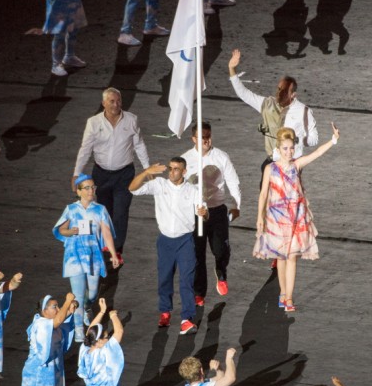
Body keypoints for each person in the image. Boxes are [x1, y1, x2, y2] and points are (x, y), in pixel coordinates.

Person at [254, 125, 340, 312]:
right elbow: (263, 194)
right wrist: (259, 217)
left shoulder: (296, 165)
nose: (289, 151)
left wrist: (333, 140)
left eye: (291, 148)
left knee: (292, 256)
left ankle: (289, 298)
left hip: (295, 217)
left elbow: (316, 154)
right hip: (276, 218)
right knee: (282, 258)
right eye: (285, 148)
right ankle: (283, 293)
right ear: (278, 149)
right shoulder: (270, 168)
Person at [129, 158, 208, 334]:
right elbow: (132, 188)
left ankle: (187, 319)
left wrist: (204, 213)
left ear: (184, 172)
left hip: (185, 241)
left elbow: (204, 212)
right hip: (165, 241)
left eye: (176, 169)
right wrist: (146, 172)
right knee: (164, 278)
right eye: (170, 169)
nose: (172, 172)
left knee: (186, 280)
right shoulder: (159, 185)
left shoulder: (194, 190)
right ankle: (165, 312)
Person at [72, 87, 150, 260]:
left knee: (121, 212)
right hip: (101, 175)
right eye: (112, 101)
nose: (116, 105)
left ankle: (117, 248)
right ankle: (105, 245)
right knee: (105, 212)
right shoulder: (93, 123)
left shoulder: (131, 120)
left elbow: (139, 145)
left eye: (118, 101)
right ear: (103, 104)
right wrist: (77, 174)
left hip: (125, 175)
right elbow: (85, 149)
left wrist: (147, 168)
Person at [53, 174, 120, 342]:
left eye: (93, 187)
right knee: (77, 294)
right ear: (79, 190)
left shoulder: (100, 210)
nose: (91, 191)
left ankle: (87, 306)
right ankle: (78, 330)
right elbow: (62, 230)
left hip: (93, 256)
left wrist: (113, 254)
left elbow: (106, 233)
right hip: (74, 256)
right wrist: (72, 231)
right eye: (88, 188)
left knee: (92, 293)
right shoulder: (71, 209)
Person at [182, 122, 241, 305]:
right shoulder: (186, 160)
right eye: (202, 137)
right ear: (194, 139)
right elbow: (182, 189)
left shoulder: (221, 157)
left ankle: (221, 272)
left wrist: (236, 204)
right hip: (196, 214)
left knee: (220, 249)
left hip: (217, 211)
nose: (206, 140)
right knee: (197, 253)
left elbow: (233, 181)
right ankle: (199, 293)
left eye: (208, 136)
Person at [227, 49, 316, 170]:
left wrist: (297, 140)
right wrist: (232, 70)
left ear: (293, 94)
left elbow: (314, 139)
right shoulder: (267, 104)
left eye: (284, 91)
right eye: (279, 89)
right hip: (271, 162)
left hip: (292, 164)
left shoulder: (304, 111)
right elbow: (244, 94)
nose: (280, 93)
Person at [21, 292, 77, 386]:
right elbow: (58, 321)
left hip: (53, 369)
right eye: (54, 307)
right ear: (44, 310)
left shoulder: (51, 322)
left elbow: (61, 319)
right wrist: (67, 301)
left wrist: (71, 308)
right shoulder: (40, 324)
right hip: (38, 372)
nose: (58, 309)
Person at [77, 298, 125, 386]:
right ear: (99, 340)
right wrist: (113, 315)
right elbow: (119, 331)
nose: (108, 339)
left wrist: (102, 311)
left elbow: (91, 331)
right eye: (107, 337)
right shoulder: (105, 351)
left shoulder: (85, 349)